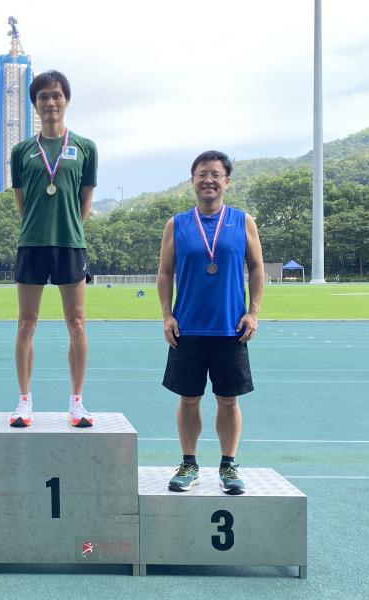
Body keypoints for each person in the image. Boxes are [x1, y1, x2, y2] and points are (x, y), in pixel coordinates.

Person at [157, 150, 264, 495]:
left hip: (231, 328)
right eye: (202, 173)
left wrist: (254, 311)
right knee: (189, 399)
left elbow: (258, 268)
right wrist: (166, 315)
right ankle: (189, 463)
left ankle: (228, 465)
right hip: (187, 328)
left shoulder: (242, 221)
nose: (209, 180)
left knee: (228, 400)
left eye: (216, 174)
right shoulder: (177, 224)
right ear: (192, 180)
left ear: (226, 181)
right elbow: (165, 272)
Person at [8, 70, 98, 428]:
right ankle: (24, 400)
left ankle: (77, 402)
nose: (50, 102)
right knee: (26, 323)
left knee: (76, 322)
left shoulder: (86, 148)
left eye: (57, 95)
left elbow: (84, 202)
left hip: (70, 244)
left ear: (66, 100)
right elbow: (21, 202)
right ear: (35, 104)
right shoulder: (22, 151)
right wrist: (39, 226)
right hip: (31, 243)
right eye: (43, 96)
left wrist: (68, 227)